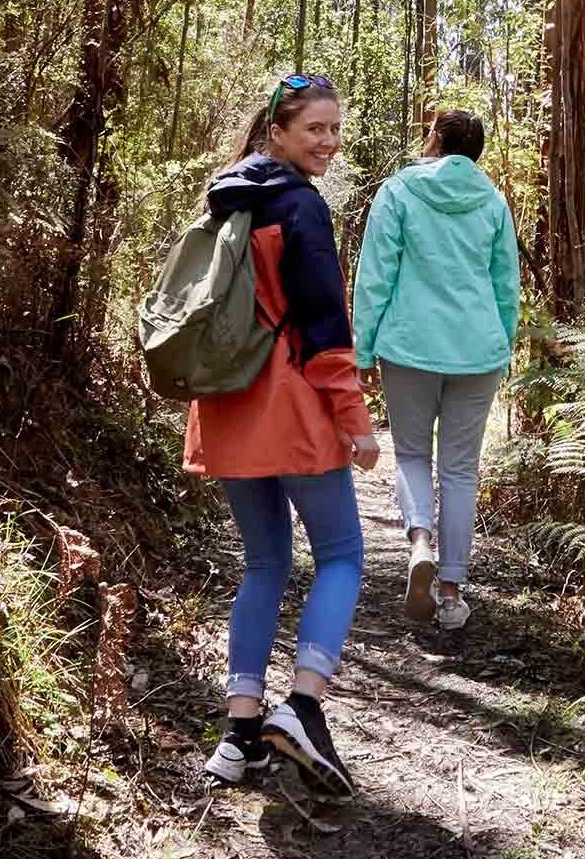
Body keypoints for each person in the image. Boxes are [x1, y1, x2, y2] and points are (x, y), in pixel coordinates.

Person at [188, 73, 380, 800]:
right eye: (315, 130)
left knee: (264, 562)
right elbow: (325, 324)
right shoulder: (299, 206)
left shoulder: (225, 197)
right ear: (278, 133)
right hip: (292, 406)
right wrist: (354, 420)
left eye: (335, 129)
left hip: (229, 407)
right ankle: (301, 705)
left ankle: (238, 736)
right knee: (341, 555)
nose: (328, 142)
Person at [351, 109, 520, 631]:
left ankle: (419, 538)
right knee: (461, 470)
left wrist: (362, 351)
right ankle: (451, 591)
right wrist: (504, 344)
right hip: (478, 351)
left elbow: (375, 273)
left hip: (410, 346)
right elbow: (505, 285)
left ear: (434, 141)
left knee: (412, 453)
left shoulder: (398, 192)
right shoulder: (492, 202)